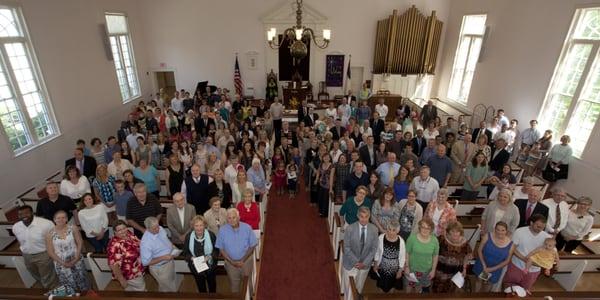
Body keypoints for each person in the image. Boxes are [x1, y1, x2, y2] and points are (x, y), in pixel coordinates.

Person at [13, 205, 58, 289]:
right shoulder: (16, 226)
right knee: (35, 274)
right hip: (27, 256)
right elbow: (20, 241)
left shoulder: (46, 224)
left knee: (48, 277)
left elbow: (54, 240)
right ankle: (47, 288)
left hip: (44, 255)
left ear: (32, 213)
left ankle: (53, 293)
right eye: (20, 214)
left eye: (26, 213)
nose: (23, 216)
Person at [502, 214, 551, 292]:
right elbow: (512, 249)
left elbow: (550, 254)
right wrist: (524, 259)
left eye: (542, 227)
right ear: (531, 223)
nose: (540, 229)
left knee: (524, 290)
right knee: (508, 288)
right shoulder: (520, 231)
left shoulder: (547, 237)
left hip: (534, 270)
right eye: (538, 226)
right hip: (516, 266)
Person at [46, 210, 90, 292]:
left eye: (63, 217)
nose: (61, 220)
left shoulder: (73, 228)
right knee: (69, 283)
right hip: (61, 262)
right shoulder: (49, 233)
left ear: (66, 219)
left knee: (82, 279)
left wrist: (76, 258)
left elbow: (80, 242)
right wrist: (63, 263)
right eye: (58, 218)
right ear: (54, 220)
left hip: (76, 258)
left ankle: (85, 295)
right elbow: (50, 252)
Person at [215, 208, 258, 293]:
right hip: (230, 264)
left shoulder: (247, 228)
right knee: (234, 285)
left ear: (238, 217)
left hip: (246, 262)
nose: (231, 220)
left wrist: (243, 260)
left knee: (248, 283)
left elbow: (252, 246)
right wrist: (231, 262)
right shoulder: (222, 230)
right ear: (227, 219)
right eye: (229, 218)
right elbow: (221, 249)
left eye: (234, 217)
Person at [342, 207, 379, 293]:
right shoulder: (350, 228)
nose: (364, 219)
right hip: (350, 263)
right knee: (348, 288)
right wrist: (356, 262)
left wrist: (364, 263)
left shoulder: (374, 229)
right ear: (358, 216)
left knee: (359, 288)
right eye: (362, 216)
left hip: (365, 265)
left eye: (366, 216)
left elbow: (374, 249)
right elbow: (346, 248)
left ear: (369, 216)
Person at [473, 221, 515, 292]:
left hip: (496, 268)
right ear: (494, 229)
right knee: (478, 281)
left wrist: (491, 269)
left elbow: (507, 261)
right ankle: (475, 296)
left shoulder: (511, 244)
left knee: (488, 284)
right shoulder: (487, 236)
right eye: (497, 229)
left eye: (503, 230)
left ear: (506, 231)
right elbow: (479, 250)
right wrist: (484, 265)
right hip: (482, 263)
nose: (500, 232)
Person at [140, 216, 178, 292]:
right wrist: (163, 257)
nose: (158, 229)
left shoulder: (160, 228)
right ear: (147, 229)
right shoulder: (146, 243)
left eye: (157, 226)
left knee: (170, 283)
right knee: (167, 289)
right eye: (154, 228)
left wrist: (172, 246)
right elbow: (145, 262)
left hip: (169, 261)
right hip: (160, 268)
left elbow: (166, 239)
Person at [432, 222, 472, 293]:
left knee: (453, 293)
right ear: (448, 231)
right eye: (452, 231)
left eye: (457, 231)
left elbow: (467, 257)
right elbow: (433, 252)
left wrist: (464, 269)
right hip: (441, 272)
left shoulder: (465, 243)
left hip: (456, 273)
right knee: (438, 292)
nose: (455, 233)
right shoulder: (441, 239)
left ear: (460, 232)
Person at [107, 220, 146, 291]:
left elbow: (138, 242)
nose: (123, 231)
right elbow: (113, 265)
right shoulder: (115, 245)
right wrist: (122, 280)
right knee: (142, 291)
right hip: (130, 274)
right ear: (115, 232)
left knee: (131, 292)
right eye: (119, 230)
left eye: (124, 228)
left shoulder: (128, 234)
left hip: (138, 269)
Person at [183, 215, 218, 293]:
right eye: (196, 225)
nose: (199, 228)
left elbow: (216, 250)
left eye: (201, 225)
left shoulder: (211, 235)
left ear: (205, 225)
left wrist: (209, 257)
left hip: (210, 266)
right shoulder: (188, 237)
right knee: (201, 287)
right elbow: (185, 252)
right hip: (196, 267)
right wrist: (191, 258)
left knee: (212, 286)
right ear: (193, 226)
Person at [404, 218, 439, 293]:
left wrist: (433, 270)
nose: (425, 230)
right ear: (419, 227)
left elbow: (435, 256)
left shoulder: (434, 240)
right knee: (409, 287)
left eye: (428, 228)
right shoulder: (412, 238)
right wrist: (406, 267)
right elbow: (407, 253)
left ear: (431, 229)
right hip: (412, 269)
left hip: (426, 271)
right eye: (423, 227)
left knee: (419, 288)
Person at [373, 219, 406, 293]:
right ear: (387, 229)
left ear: (397, 231)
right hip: (382, 269)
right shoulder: (381, 237)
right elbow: (377, 252)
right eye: (389, 229)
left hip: (394, 271)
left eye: (394, 230)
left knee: (392, 288)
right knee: (381, 287)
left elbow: (402, 258)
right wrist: (375, 264)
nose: (391, 232)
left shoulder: (401, 241)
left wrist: (400, 271)